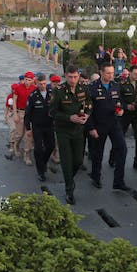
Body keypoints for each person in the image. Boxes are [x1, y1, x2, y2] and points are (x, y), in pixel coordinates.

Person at [50, 64, 91, 205]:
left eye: (75, 77)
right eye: (70, 77)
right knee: (67, 162)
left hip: (78, 130)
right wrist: (69, 118)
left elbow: (89, 103)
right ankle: (69, 189)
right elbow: (52, 112)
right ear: (65, 76)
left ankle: (69, 179)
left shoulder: (83, 88)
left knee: (78, 161)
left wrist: (87, 114)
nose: (73, 80)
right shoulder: (59, 91)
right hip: (63, 131)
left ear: (79, 76)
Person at [87, 64, 131, 192]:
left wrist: (121, 109)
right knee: (98, 153)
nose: (111, 75)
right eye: (108, 73)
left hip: (114, 123)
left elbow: (120, 102)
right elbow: (87, 110)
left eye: (112, 73)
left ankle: (119, 181)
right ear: (101, 72)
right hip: (99, 124)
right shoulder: (92, 87)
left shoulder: (115, 85)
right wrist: (91, 128)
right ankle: (96, 177)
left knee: (122, 149)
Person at [24, 74, 55, 181]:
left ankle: (43, 162)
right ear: (36, 83)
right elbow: (27, 113)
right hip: (37, 126)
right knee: (38, 148)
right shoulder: (33, 95)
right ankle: (40, 171)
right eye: (40, 84)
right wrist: (28, 128)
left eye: (44, 83)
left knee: (51, 146)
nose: (42, 86)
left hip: (49, 125)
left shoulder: (52, 93)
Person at [117, 65, 137, 172]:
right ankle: (113, 158)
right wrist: (126, 106)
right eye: (135, 74)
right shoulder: (123, 84)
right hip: (125, 115)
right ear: (130, 73)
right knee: (119, 137)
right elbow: (118, 99)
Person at [6, 72, 35, 164]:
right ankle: (16, 145)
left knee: (28, 135)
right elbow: (14, 101)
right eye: (26, 79)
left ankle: (27, 154)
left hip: (30, 114)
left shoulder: (34, 89)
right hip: (20, 112)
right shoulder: (18, 88)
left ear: (33, 80)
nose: (27, 82)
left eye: (29, 80)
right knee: (19, 134)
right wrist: (15, 114)